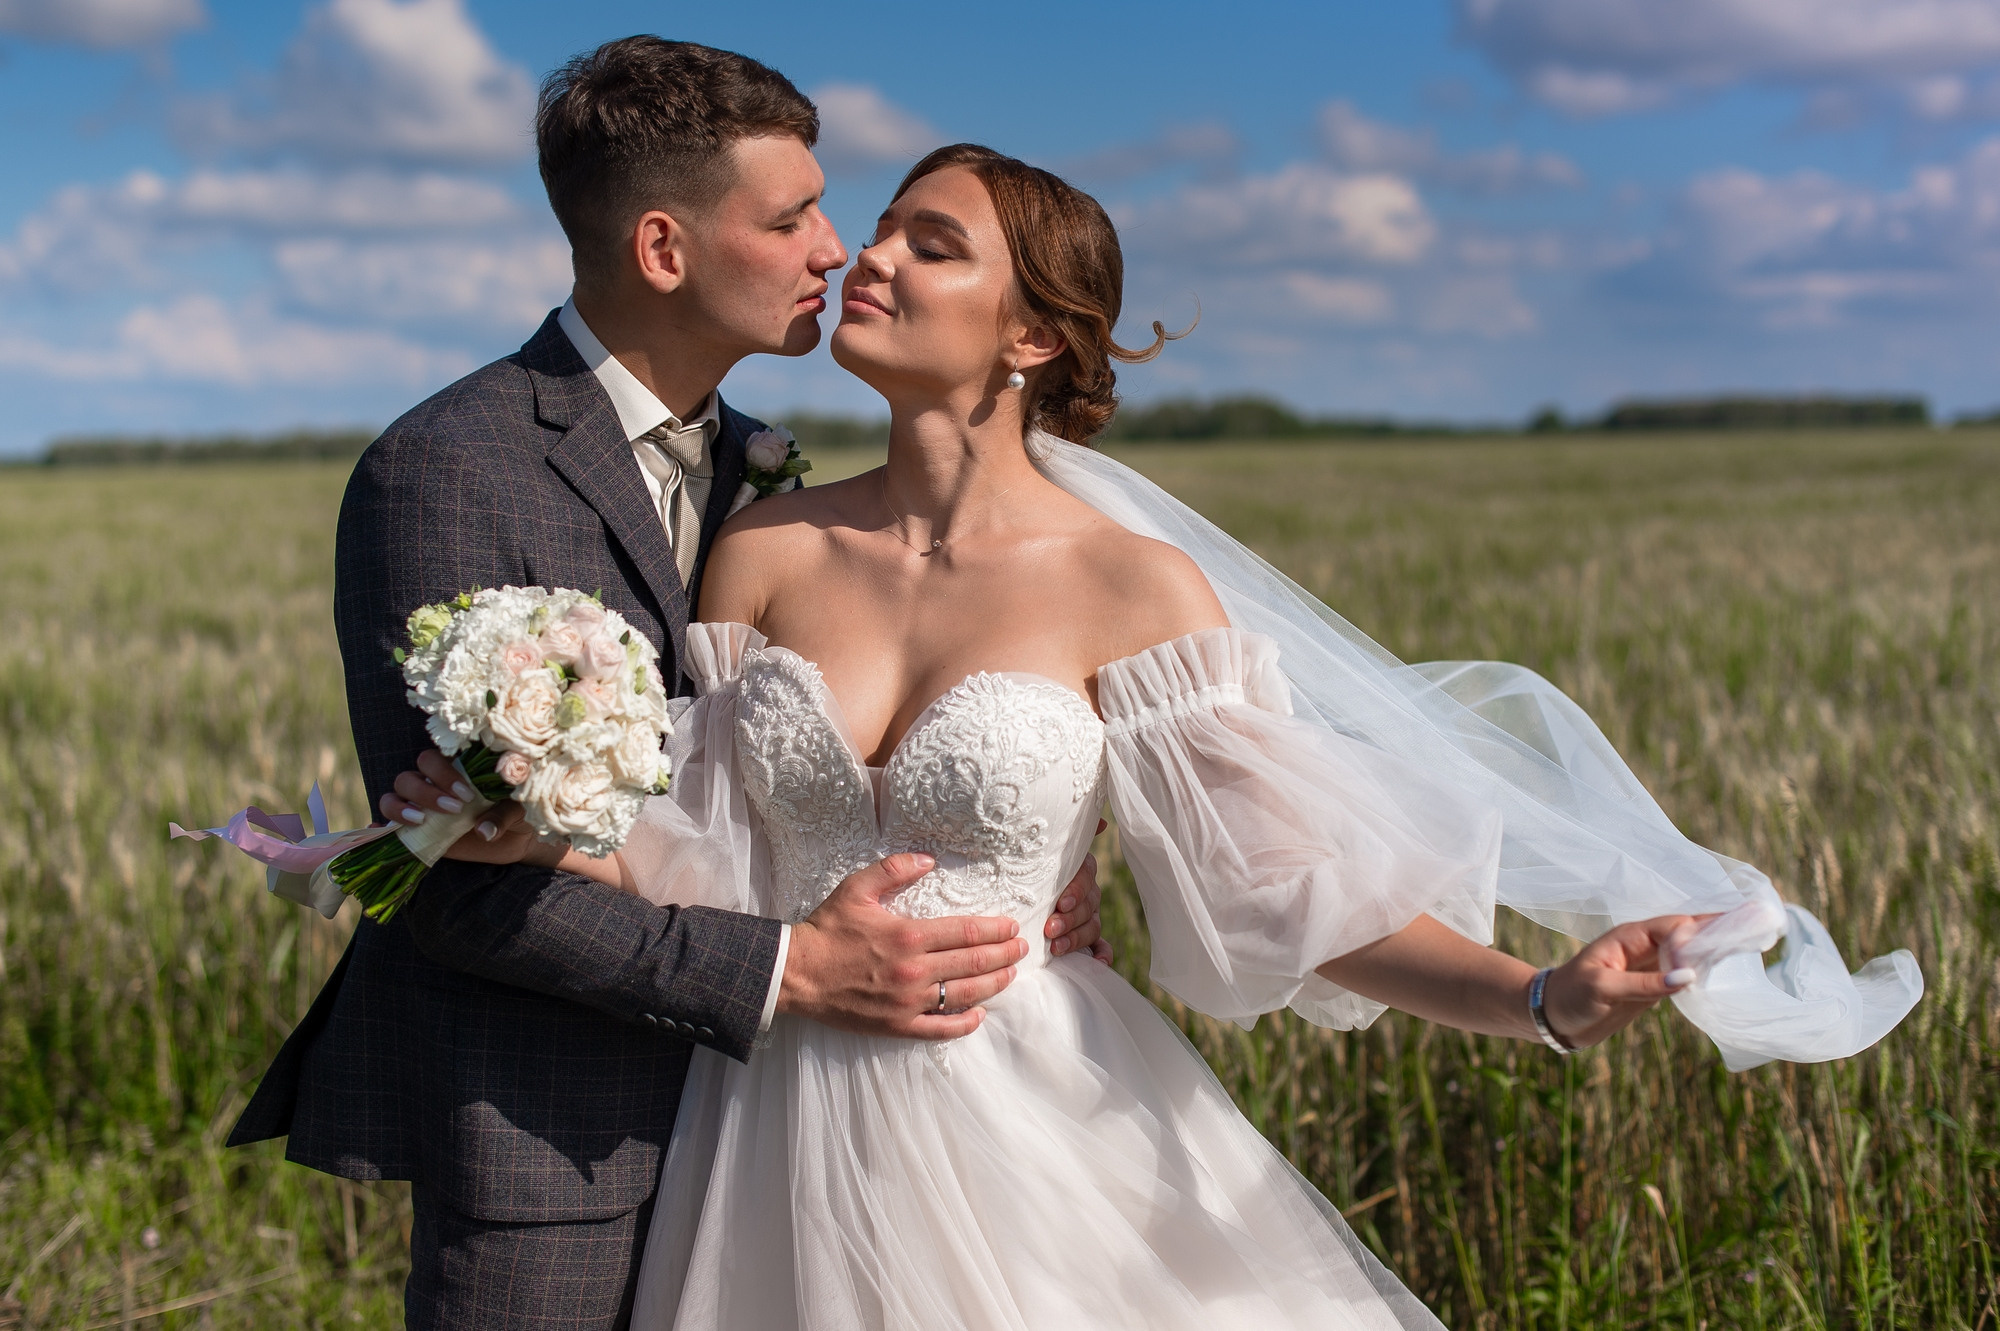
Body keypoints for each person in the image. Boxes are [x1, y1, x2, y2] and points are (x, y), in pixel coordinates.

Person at [385, 142, 1918, 1327]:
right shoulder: (764, 554)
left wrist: (1539, 996)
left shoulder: (1134, 587)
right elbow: (691, 850)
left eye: (936, 244)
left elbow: (1292, 893)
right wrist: (504, 813)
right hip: (767, 1118)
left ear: (1035, 337)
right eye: (883, 227)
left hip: (1029, 1114)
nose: (868, 258)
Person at [229, 41, 1109, 1331]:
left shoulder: (764, 470)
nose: (836, 251)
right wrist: (788, 972)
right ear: (662, 250)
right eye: (790, 216)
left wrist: (1041, 853)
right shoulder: (449, 471)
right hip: (563, 1152)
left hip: (814, 1141)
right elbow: (445, 879)